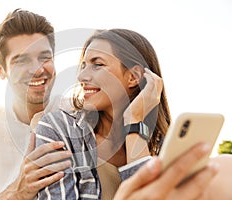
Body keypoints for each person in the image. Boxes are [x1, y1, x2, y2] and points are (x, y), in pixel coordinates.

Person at [34, 29, 232, 199]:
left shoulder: (161, 146)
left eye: (98, 64)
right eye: (84, 65)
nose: (82, 76)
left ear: (133, 77)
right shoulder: (58, 129)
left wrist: (135, 123)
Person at [0, 9, 72, 200]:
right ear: (1, 70)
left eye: (44, 57)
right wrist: (18, 191)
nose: (37, 69)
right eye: (21, 60)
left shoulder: (80, 115)